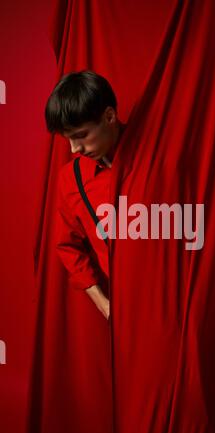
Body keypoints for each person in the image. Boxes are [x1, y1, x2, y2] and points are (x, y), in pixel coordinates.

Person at [45, 70, 126, 320]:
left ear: (109, 116)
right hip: (125, 309)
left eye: (80, 136)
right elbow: (67, 246)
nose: (74, 149)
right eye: (68, 139)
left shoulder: (156, 157)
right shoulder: (72, 178)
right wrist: (105, 305)